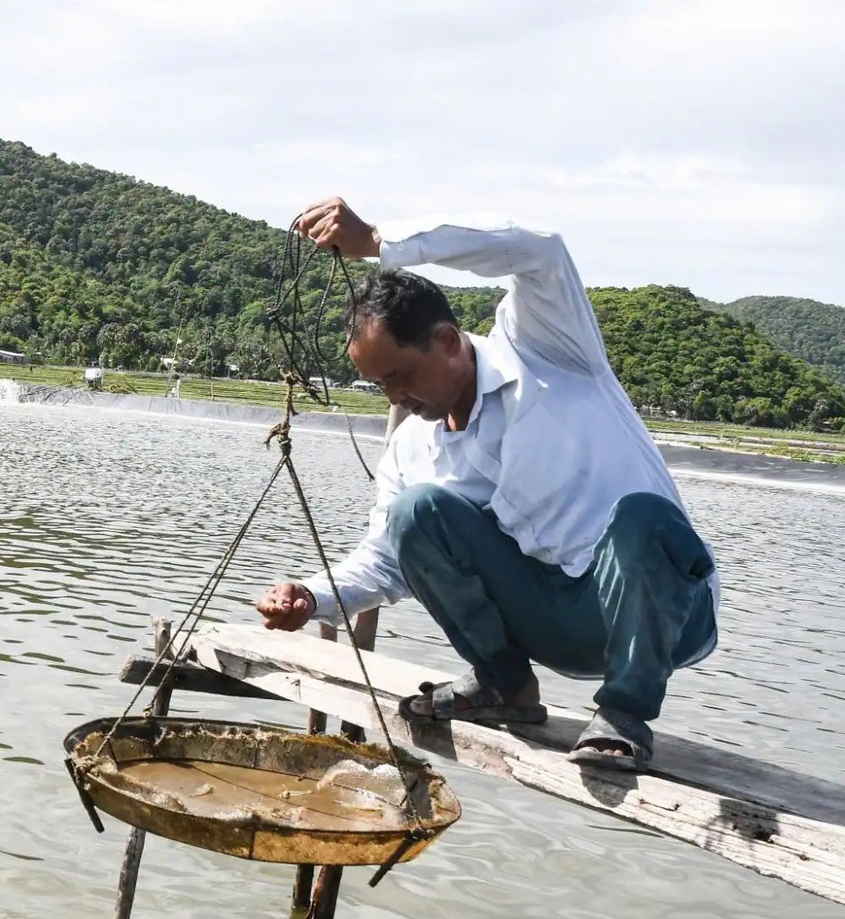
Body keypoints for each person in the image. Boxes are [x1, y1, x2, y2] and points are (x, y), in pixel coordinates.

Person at [255, 198, 719, 771]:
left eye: (399, 376)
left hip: (668, 615)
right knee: (415, 512)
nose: (394, 398)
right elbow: (385, 561)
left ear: (448, 341)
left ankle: (625, 713)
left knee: (642, 518)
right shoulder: (412, 445)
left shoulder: (549, 350)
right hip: (557, 624)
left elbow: (539, 250)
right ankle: (504, 686)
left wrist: (381, 239)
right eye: (379, 386)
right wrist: (312, 596)